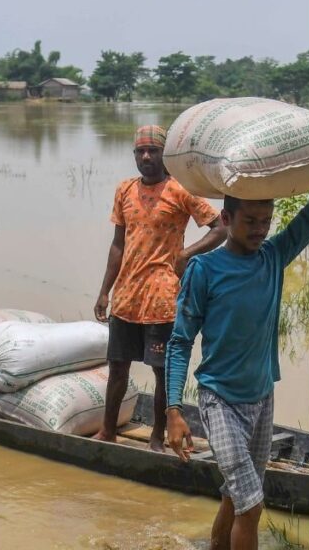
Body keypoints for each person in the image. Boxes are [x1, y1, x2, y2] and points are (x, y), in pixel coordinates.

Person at [164, 180, 309, 550]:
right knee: (252, 503)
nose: (260, 229)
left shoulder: (273, 256)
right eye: (251, 221)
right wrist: (173, 409)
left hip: (261, 399)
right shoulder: (204, 270)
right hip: (220, 401)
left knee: (235, 496)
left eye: (266, 221)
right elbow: (180, 342)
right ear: (226, 218)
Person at [93, 124, 226, 451]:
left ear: (166, 156)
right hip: (126, 298)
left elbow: (221, 227)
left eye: (153, 151)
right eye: (140, 151)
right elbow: (117, 245)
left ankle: (156, 437)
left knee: (162, 372)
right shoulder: (125, 190)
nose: (146, 157)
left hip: (163, 300)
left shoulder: (180, 190)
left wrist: (186, 253)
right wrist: (104, 291)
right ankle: (108, 431)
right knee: (118, 369)